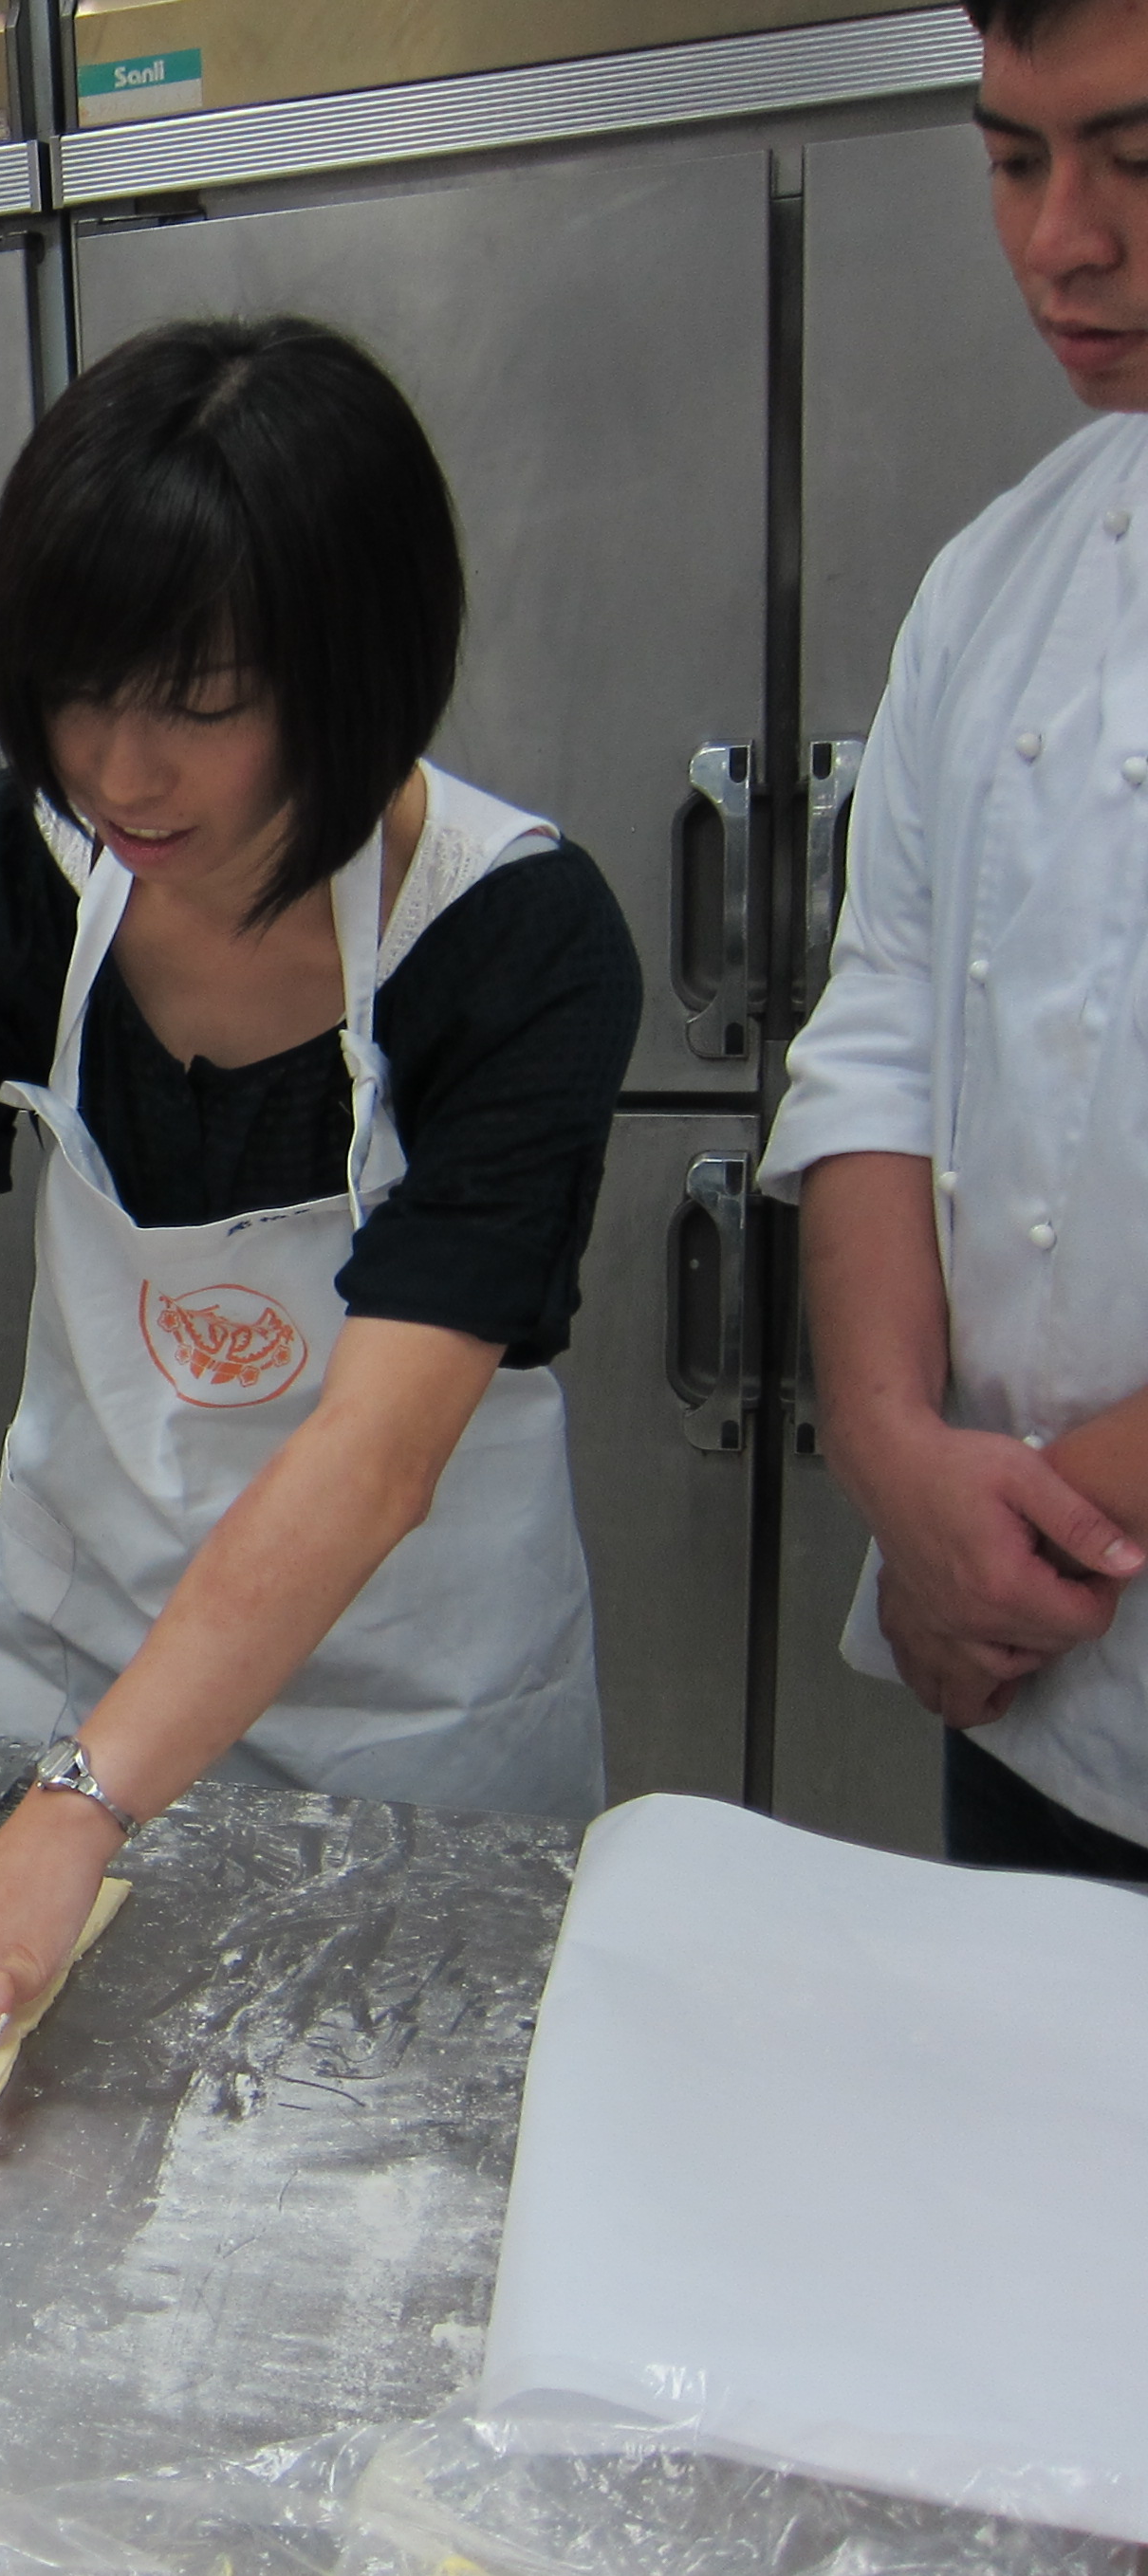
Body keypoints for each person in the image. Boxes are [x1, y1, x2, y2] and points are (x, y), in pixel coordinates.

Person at [0, 319, 640, 2089]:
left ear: (358, 668)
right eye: (75, 695)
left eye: (198, 709)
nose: (120, 774)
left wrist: (80, 1811)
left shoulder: (513, 942)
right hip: (82, 1657)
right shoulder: (0, 879)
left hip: (416, 1722)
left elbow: (375, 1453)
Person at [766, 0, 1148, 1880]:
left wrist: (1010, 1546)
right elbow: (878, 1038)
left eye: (1136, 160)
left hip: (1020, 1607)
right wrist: (886, 1453)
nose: (1061, 242)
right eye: (1012, 159)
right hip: (1031, 1716)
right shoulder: (996, 579)